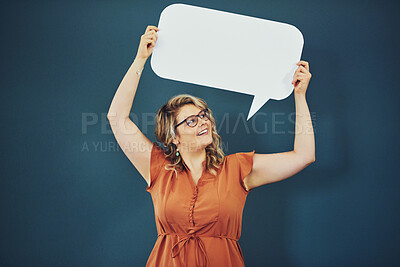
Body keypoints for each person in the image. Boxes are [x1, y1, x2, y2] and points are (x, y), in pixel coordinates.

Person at [107, 25, 315, 267]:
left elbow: (304, 155)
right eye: (192, 120)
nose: (203, 121)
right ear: (174, 137)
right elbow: (117, 118)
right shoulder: (157, 168)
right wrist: (140, 59)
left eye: (204, 115)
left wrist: (300, 96)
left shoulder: (237, 169)